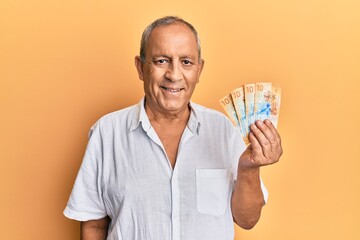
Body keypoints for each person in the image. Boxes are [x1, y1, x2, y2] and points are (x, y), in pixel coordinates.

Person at [64, 16, 283, 240]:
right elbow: (94, 226)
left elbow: (247, 220)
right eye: (161, 61)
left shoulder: (224, 131)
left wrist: (249, 168)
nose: (174, 75)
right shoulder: (106, 133)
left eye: (186, 62)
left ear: (199, 70)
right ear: (140, 67)